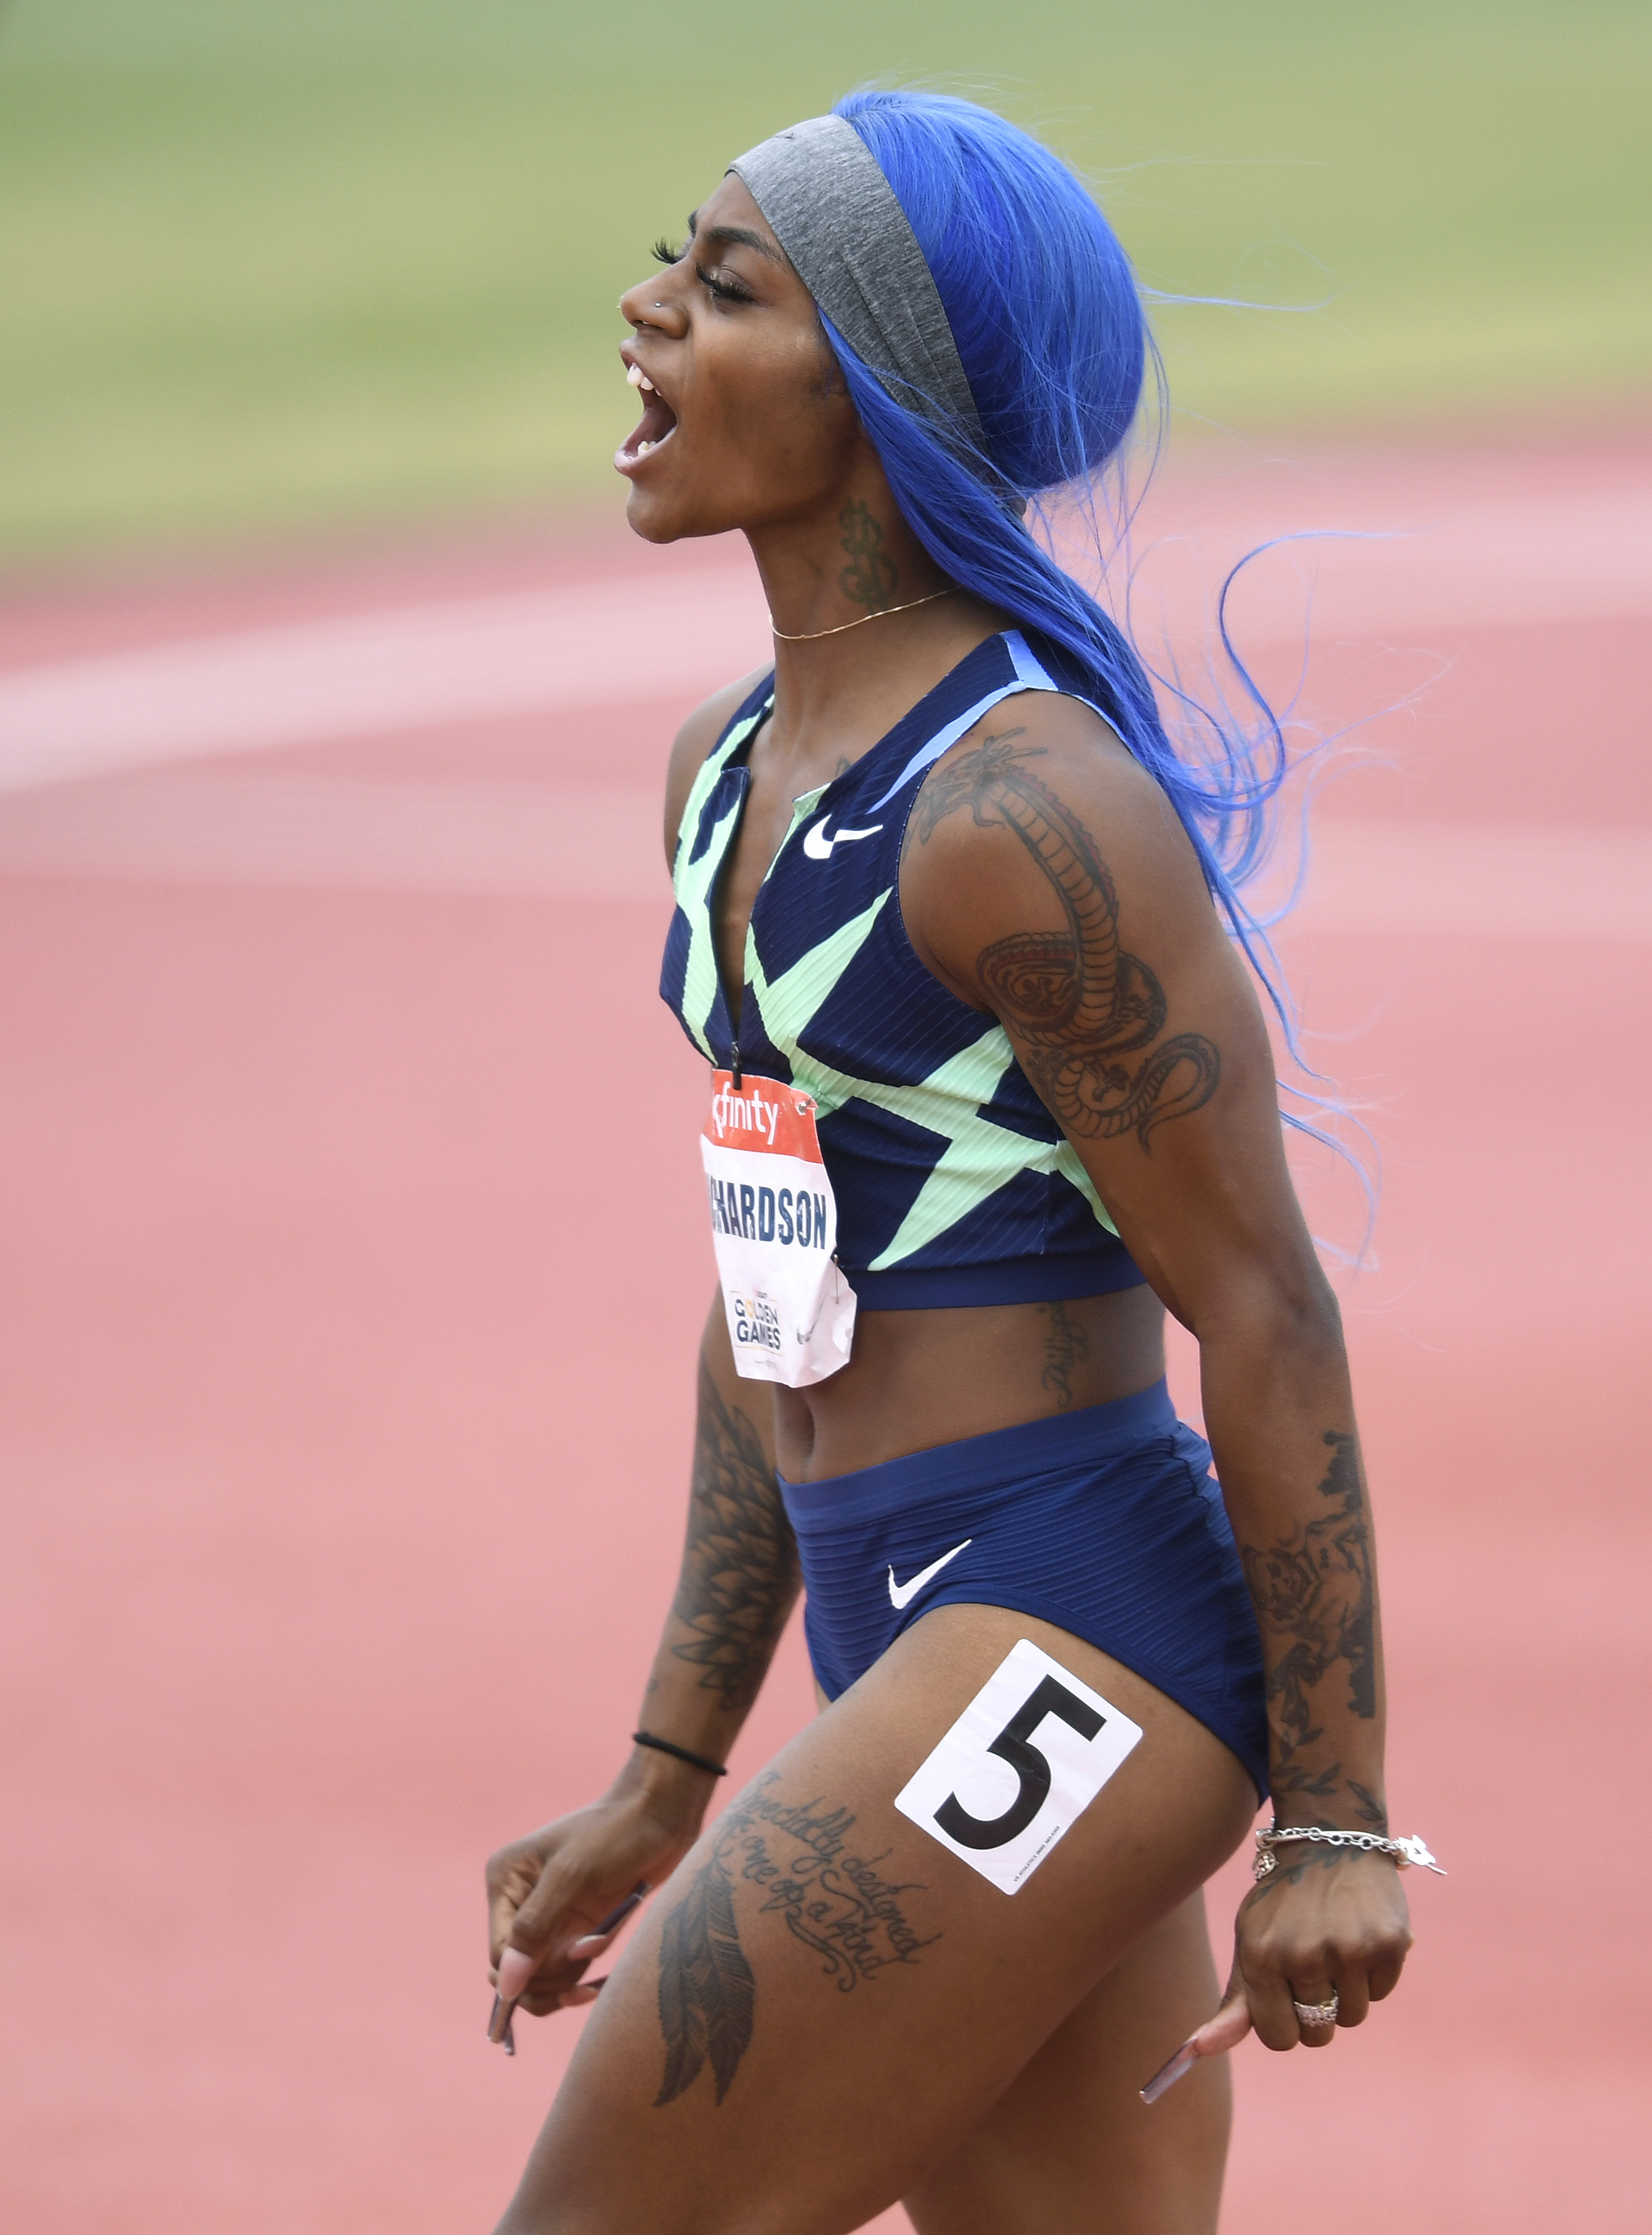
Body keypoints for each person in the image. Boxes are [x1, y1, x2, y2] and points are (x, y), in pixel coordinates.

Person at [484, 92, 1429, 2235]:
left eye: (728, 290)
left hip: (1067, 1626)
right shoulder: (718, 776)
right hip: (877, 1599)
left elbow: (1265, 1301)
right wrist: (664, 1762)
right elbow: (770, 1283)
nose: (645, 311)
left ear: (884, 394)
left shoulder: (1013, 807)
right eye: (674, 263)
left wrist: (1339, 1819)